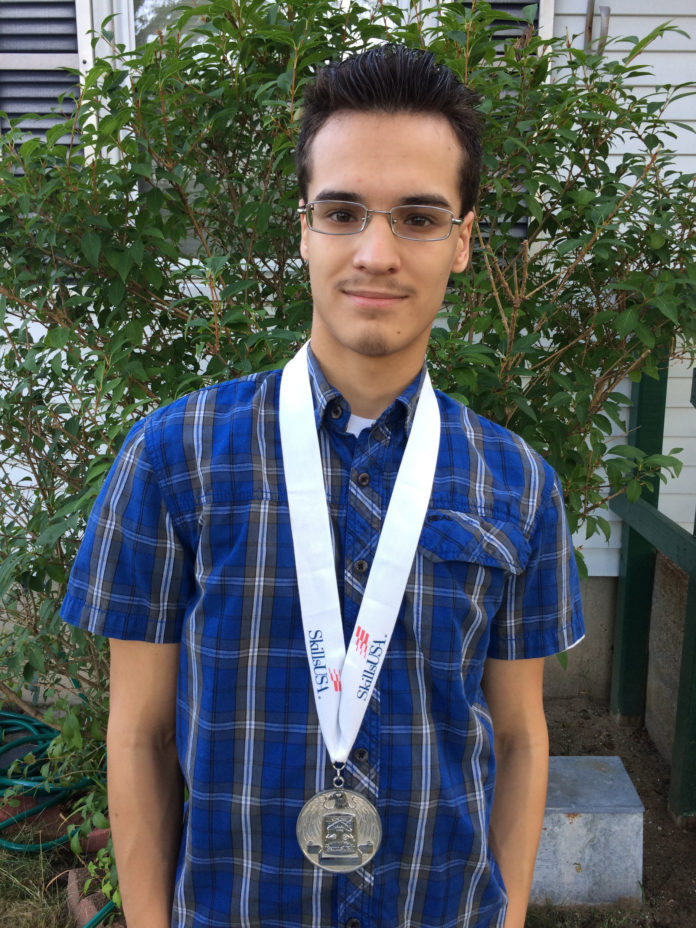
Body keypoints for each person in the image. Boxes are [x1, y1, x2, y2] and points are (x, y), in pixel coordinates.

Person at [61, 43, 584, 928]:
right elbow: (139, 735)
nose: (376, 252)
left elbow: (524, 735)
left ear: (462, 242)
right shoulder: (171, 458)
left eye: (418, 218)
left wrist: (512, 911)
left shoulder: (519, 484)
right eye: (343, 211)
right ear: (302, 226)